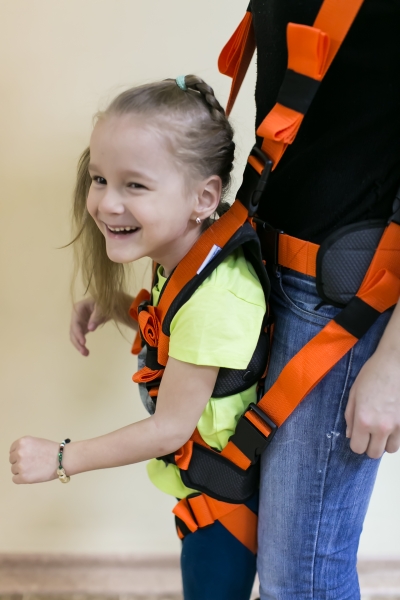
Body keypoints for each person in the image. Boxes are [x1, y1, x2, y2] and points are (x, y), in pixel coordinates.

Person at [9, 76, 266, 600]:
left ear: (203, 197)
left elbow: (169, 429)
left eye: (135, 185)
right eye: (100, 178)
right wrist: (121, 307)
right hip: (210, 492)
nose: (106, 203)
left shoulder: (215, 297)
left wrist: (61, 458)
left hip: (226, 507)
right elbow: (181, 335)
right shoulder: (190, 262)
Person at [246, 0, 400, 598]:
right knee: (241, 536)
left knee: (301, 577)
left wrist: (393, 362)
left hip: (340, 306)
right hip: (257, 270)